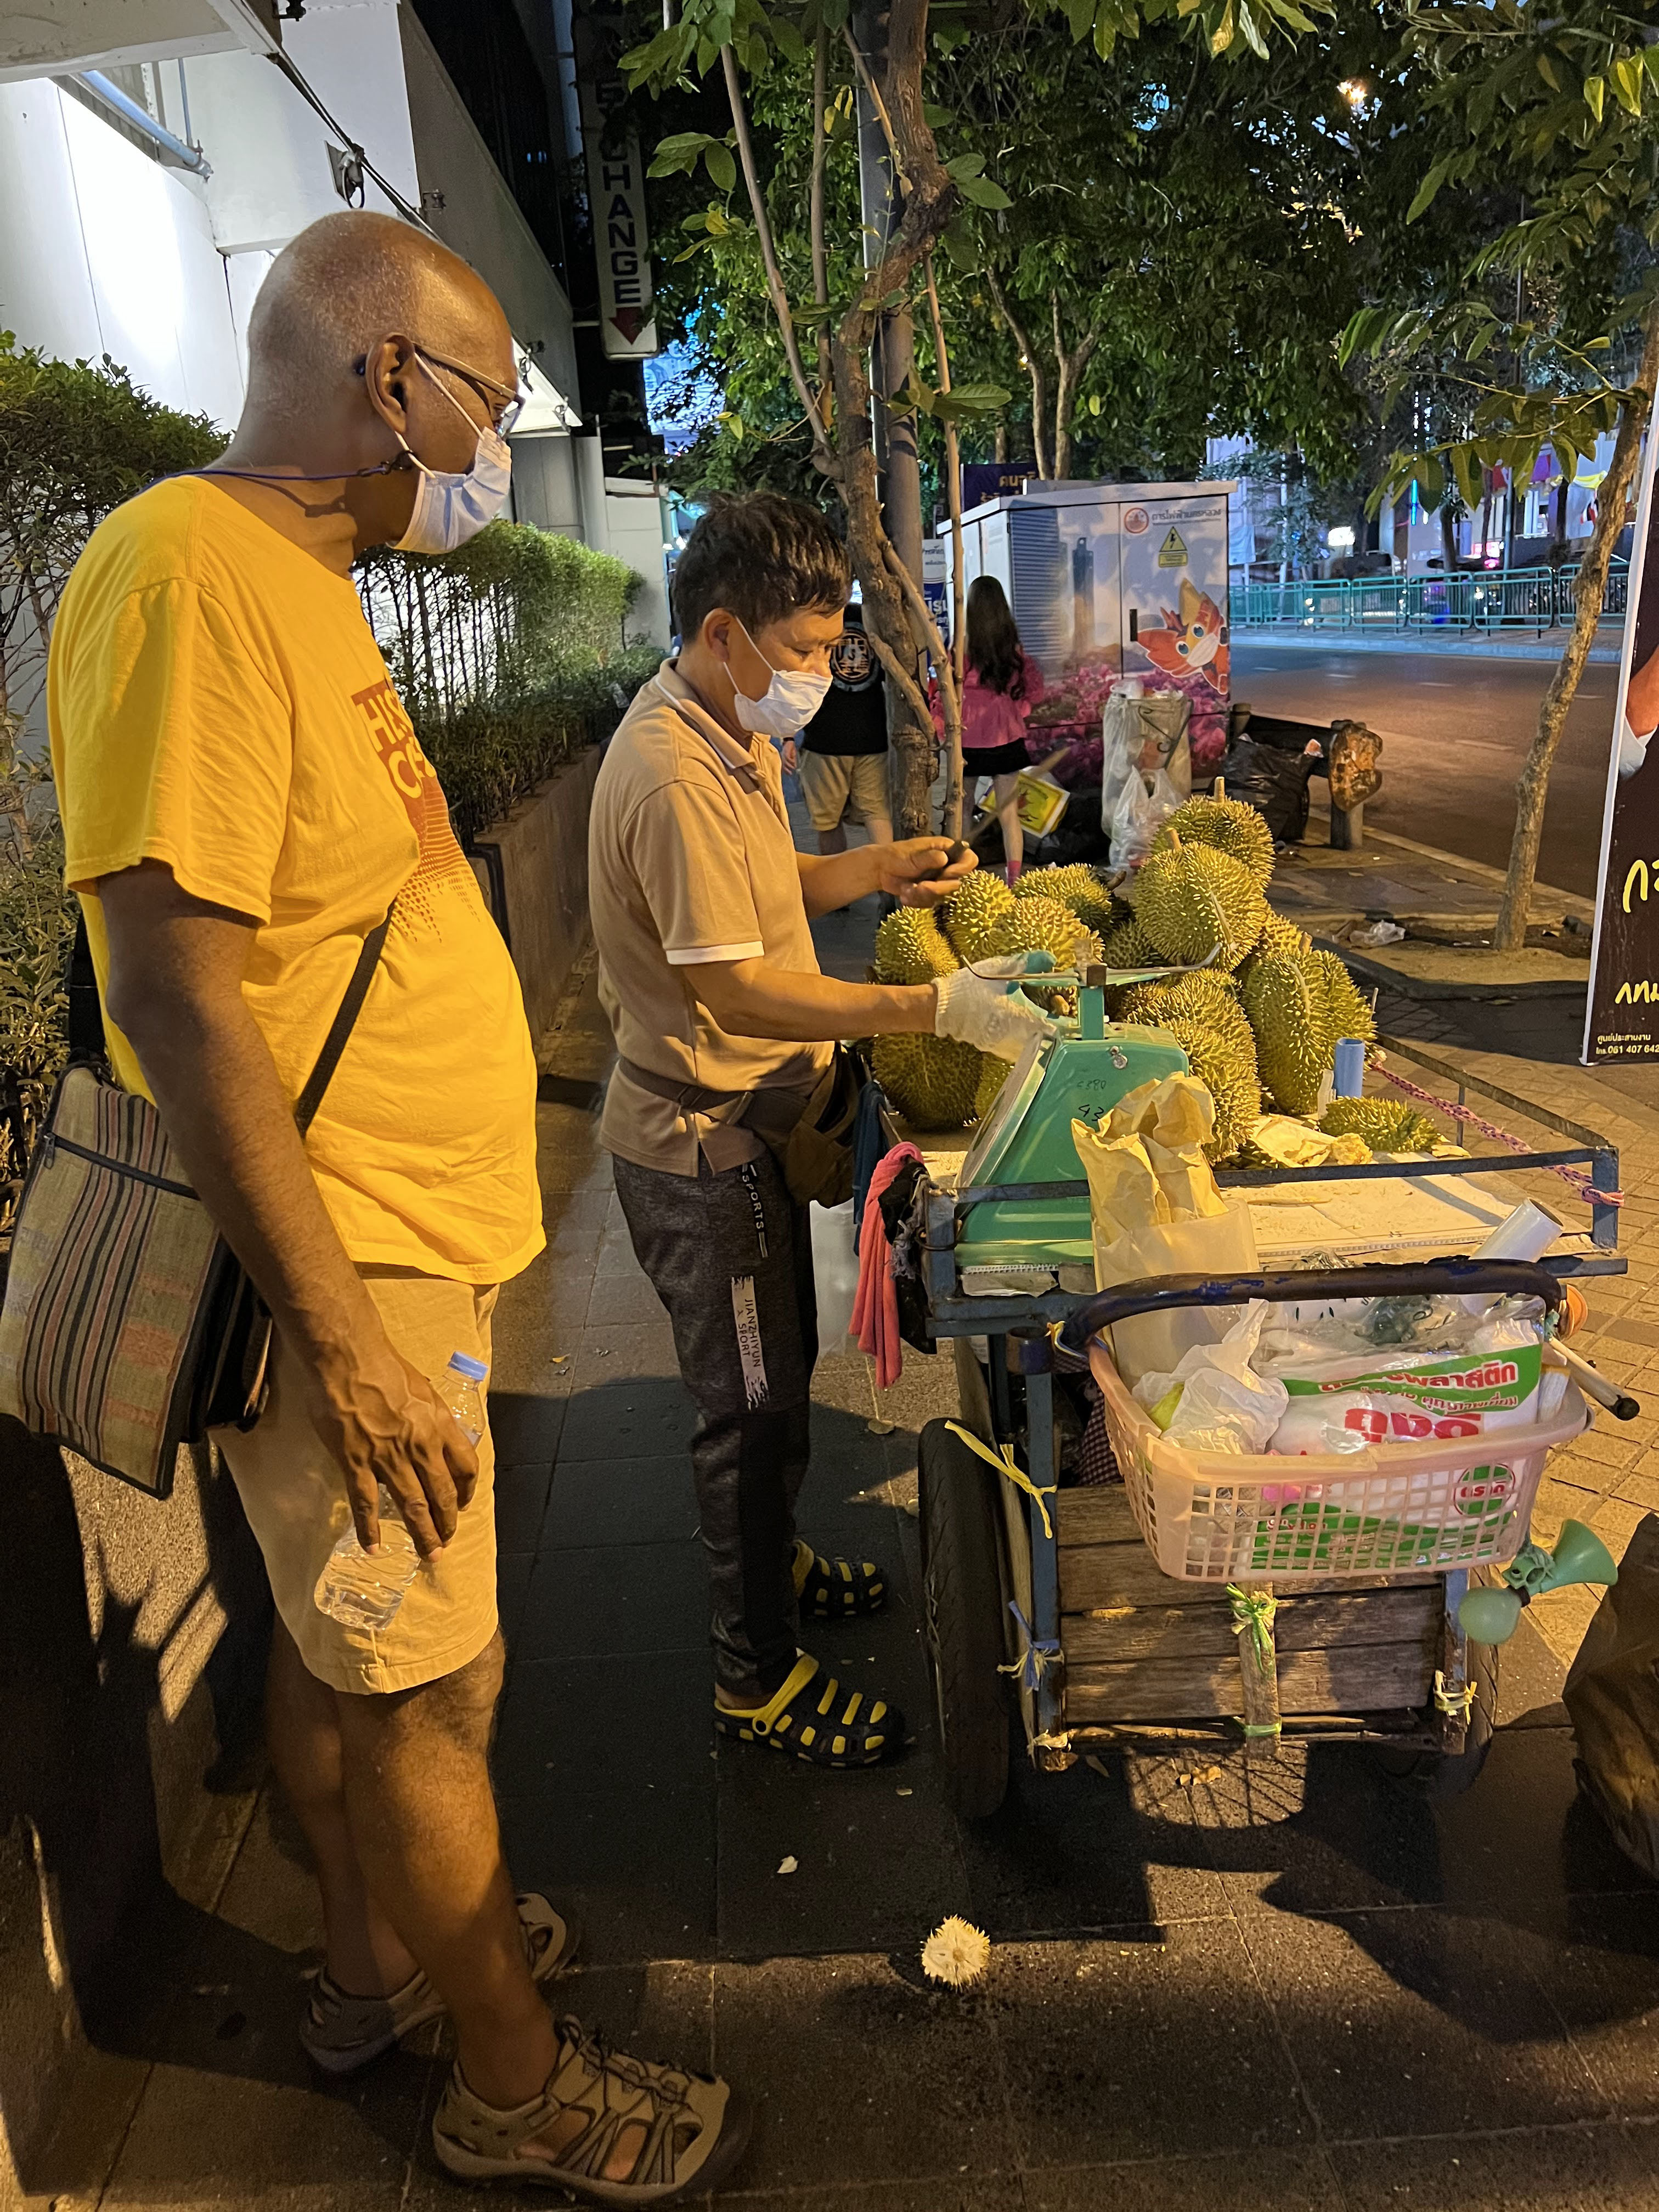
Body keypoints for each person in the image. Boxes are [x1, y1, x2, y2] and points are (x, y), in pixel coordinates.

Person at [48, 211, 746, 2204]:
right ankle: (516, 2086)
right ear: (384, 382)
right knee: (434, 1684)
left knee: (344, 1648)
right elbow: (172, 987)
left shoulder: (290, 576)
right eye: (483, 400)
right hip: (341, 1272)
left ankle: (372, 1963)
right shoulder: (187, 573)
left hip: (387, 1246)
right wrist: (347, 1337)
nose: (489, 442)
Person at [588, 493, 1052, 1770]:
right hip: (696, 1152)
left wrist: (878, 866)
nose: (816, 675)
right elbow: (735, 985)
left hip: (747, 1137)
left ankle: (773, 1561)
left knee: (778, 1385)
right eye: (802, 651)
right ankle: (752, 1675)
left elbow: (771, 888)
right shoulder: (676, 772)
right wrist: (928, 1003)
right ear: (727, 632)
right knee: (741, 1412)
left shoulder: (720, 728)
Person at [781, 599, 894, 856]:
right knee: (877, 815)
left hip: (824, 739)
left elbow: (797, 679)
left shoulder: (815, 622)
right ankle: (893, 893)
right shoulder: (871, 618)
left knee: (827, 823)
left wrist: (788, 735)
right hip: (873, 736)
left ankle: (839, 892)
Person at [952, 573, 1046, 881]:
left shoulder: (961, 650)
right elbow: (1034, 690)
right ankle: (1015, 878)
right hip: (1007, 739)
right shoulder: (1012, 650)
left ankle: (964, 876)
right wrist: (1019, 711)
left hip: (967, 741)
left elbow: (945, 692)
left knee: (962, 811)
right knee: (1009, 815)